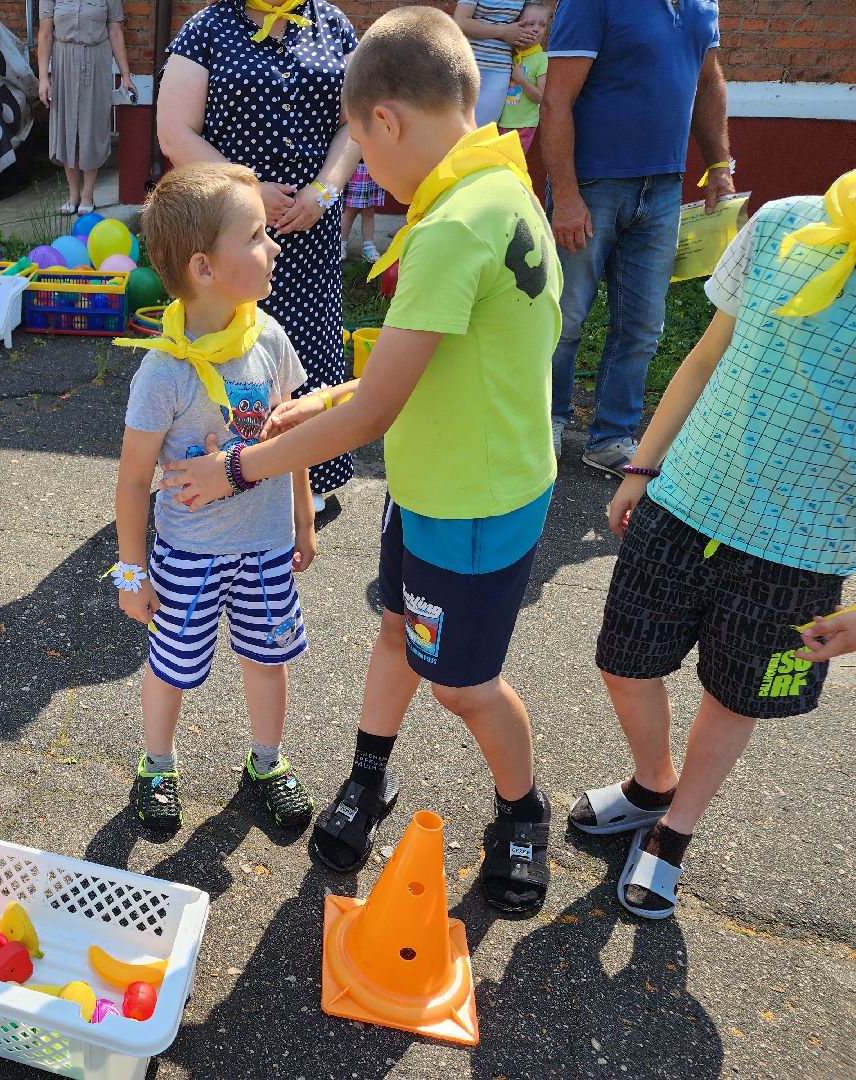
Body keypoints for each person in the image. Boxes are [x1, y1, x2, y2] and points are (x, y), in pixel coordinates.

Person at [164, 8, 563, 915]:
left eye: (363, 146)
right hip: (433, 482)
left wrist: (240, 469)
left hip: (472, 504)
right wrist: (320, 399)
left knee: (463, 684)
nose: (367, 168)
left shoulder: (451, 227)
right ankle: (369, 774)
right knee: (395, 627)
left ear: (385, 120)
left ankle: (521, 810)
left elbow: (377, 410)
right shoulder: (498, 182)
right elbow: (431, 359)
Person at [568, 171, 856, 920]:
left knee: (736, 695)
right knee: (623, 660)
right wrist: (642, 466)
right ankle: (652, 783)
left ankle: (675, 831)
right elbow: (704, 356)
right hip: (686, 497)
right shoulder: (782, 221)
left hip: (803, 550)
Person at [110, 161, 317, 832]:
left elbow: (290, 437)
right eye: (255, 236)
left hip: (266, 548)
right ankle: (156, 765)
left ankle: (267, 762)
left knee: (268, 660)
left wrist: (304, 520)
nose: (273, 246)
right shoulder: (163, 372)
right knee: (171, 666)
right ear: (203, 268)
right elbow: (133, 481)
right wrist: (131, 572)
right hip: (190, 555)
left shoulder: (270, 339)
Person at [157, 0, 362, 514]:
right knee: (236, 351)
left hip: (311, 226)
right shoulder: (206, 28)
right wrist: (247, 190)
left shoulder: (333, 25)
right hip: (232, 232)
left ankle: (309, 481)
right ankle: (222, 467)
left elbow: (355, 123)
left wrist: (325, 189)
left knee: (309, 348)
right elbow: (175, 131)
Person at [543, 0, 733, 475]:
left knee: (643, 326)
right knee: (563, 317)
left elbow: (708, 81)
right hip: (591, 185)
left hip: (664, 186)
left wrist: (718, 164)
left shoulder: (703, 4)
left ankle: (611, 438)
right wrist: (565, 195)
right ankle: (544, 423)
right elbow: (555, 100)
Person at [37, 0, 136, 215]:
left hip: (96, 61)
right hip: (64, 62)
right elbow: (45, 34)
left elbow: (115, 32)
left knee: (92, 127)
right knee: (67, 127)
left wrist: (125, 75)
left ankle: (88, 195)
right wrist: (43, 78)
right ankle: (73, 195)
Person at [453, 0, 536, 128]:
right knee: (455, 129)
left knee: (484, 131)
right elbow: (461, 21)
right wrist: (502, 31)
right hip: (467, 65)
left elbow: (532, 23)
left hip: (499, 70)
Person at [497, 3, 548, 156]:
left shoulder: (542, 59)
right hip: (500, 121)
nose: (536, 29)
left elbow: (540, 97)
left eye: (542, 25)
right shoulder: (509, 53)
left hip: (523, 125)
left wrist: (521, 80)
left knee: (512, 164)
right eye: (530, 24)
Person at [341, 160, 385, 262]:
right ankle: (341, 243)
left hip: (373, 168)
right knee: (351, 210)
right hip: (357, 167)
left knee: (369, 211)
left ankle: (368, 247)